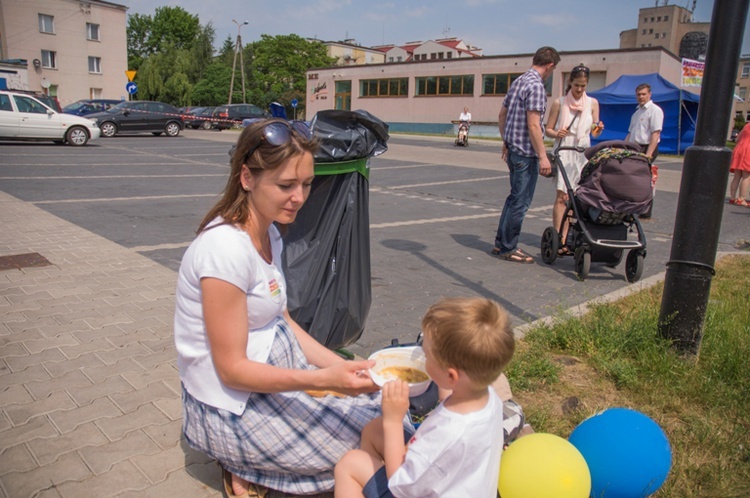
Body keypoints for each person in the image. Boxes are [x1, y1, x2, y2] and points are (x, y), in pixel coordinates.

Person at [174, 119, 384, 497]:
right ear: (247, 178)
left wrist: (342, 366)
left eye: (306, 184)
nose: (300, 197)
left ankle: (257, 465)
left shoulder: (269, 232)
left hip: (274, 381)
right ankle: (241, 461)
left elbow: (282, 320)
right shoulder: (223, 251)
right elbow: (233, 371)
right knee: (363, 451)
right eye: (286, 185)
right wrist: (322, 381)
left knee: (384, 414)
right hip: (230, 405)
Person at [334, 297, 516, 498]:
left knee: (351, 464)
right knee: (375, 429)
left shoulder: (446, 433)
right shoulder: (487, 398)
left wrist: (393, 420)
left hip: (408, 486)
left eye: (427, 355)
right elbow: (447, 394)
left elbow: (401, 484)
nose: (422, 357)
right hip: (456, 483)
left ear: (451, 376)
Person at [493, 46, 561, 263]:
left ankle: (500, 243)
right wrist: (542, 156)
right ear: (550, 66)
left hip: (513, 149)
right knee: (520, 202)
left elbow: (502, 115)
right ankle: (509, 247)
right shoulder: (536, 86)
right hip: (525, 153)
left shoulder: (518, 81)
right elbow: (534, 125)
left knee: (513, 198)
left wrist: (506, 141)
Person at [545, 64, 604, 254]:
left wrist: (598, 128)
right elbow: (548, 129)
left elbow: (594, 130)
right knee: (563, 196)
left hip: (582, 151)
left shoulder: (593, 103)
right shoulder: (559, 103)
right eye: (577, 85)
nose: (579, 90)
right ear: (570, 82)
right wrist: (556, 133)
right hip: (565, 148)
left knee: (578, 197)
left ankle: (570, 235)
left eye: (583, 86)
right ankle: (559, 239)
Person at [625, 83, 663, 162]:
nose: (641, 97)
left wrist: (648, 155)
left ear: (650, 94)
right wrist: (622, 148)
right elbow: (630, 133)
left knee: (640, 173)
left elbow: (656, 133)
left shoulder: (655, 110)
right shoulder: (636, 113)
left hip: (646, 148)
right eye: (638, 94)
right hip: (634, 148)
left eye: (643, 94)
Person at [729, 122, 750, 207]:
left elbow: (737, 139)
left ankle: (733, 197)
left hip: (739, 149)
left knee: (737, 176)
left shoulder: (747, 125)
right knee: (746, 176)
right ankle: (741, 199)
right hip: (748, 150)